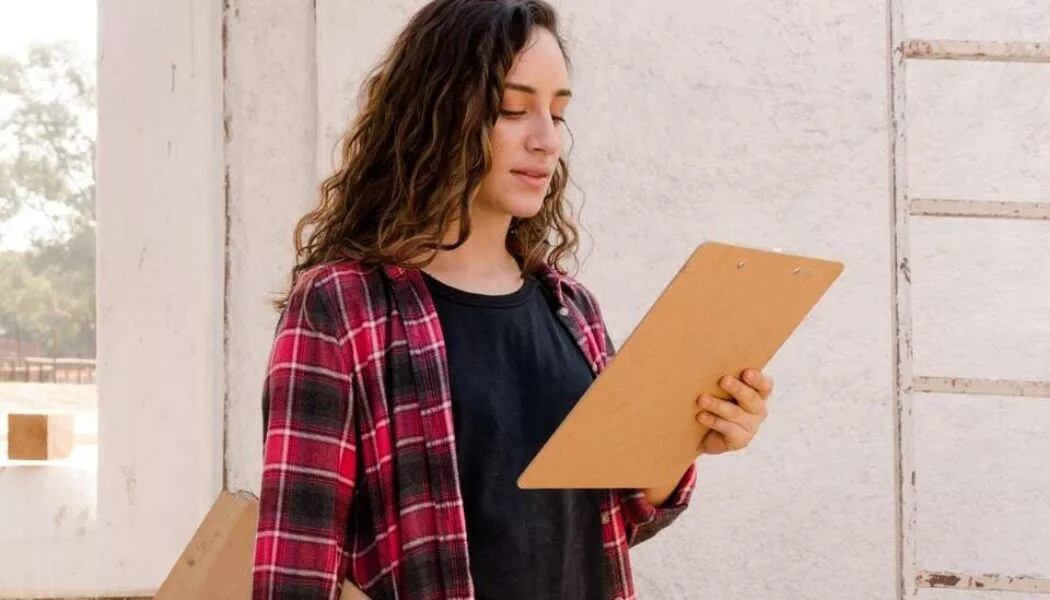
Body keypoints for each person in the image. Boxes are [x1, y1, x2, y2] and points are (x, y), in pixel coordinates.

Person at [252, 1, 774, 599]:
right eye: (512, 109)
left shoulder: (572, 309)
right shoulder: (342, 307)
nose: (547, 140)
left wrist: (692, 432)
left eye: (557, 113)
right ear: (435, 114)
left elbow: (614, 517)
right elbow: (295, 565)